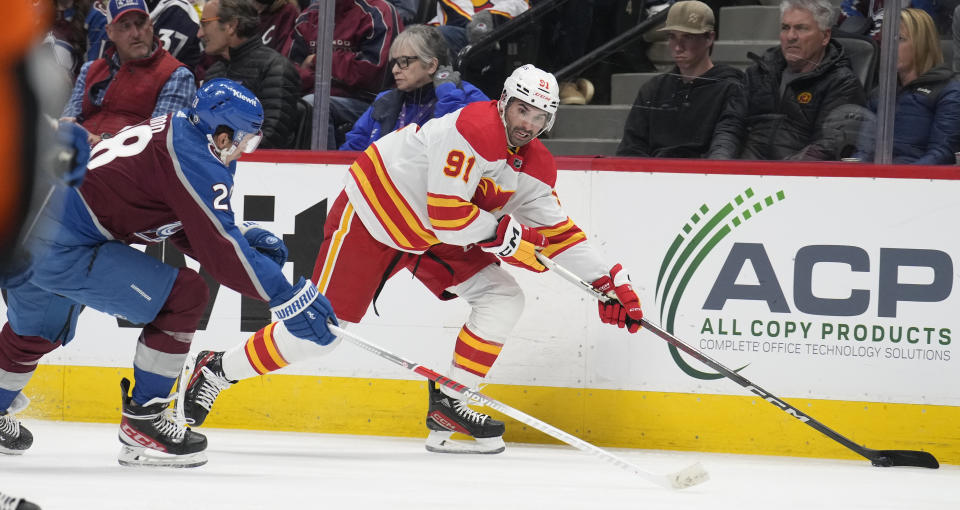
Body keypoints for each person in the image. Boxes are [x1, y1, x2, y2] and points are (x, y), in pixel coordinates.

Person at [181, 64, 645, 455]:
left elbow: (557, 231)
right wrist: (502, 236)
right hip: (376, 213)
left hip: (430, 232)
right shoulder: (473, 128)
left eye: (539, 116)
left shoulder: (535, 165)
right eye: (522, 109)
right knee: (319, 334)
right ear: (503, 102)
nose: (527, 122)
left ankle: (451, 406)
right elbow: (449, 216)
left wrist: (608, 283)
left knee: (503, 296)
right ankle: (217, 370)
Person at [0, 79, 338, 467]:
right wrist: (288, 297)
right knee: (185, 296)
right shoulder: (197, 159)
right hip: (64, 246)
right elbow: (220, 249)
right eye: (245, 142)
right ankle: (146, 421)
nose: (243, 152)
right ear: (223, 134)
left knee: (35, 331)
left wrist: (241, 235)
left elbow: (180, 219)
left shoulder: (174, 126)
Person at [738, 0, 867, 160]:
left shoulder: (842, 83)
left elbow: (826, 147)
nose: (791, 36)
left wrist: (773, 176)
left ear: (825, 36)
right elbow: (730, 125)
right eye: (786, 28)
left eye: (801, 28)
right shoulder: (758, 72)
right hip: (745, 175)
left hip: (797, 179)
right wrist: (720, 166)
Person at [616, 0, 746, 159]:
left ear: (709, 38)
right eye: (672, 37)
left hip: (702, 177)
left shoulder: (730, 87)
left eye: (688, 37)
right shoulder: (653, 89)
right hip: (655, 176)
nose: (678, 46)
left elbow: (726, 142)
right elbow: (631, 148)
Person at [61, 0, 196, 145]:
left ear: (150, 25)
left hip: (128, 163)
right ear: (110, 32)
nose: (136, 34)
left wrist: (100, 141)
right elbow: (68, 121)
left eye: (140, 23)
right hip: (77, 156)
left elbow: (159, 144)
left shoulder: (176, 76)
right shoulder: (90, 69)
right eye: (125, 26)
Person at [341, 24, 489, 151]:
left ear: (431, 65)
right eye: (394, 63)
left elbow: (459, 146)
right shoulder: (384, 100)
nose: (395, 70)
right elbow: (351, 151)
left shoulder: (469, 96)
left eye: (404, 62)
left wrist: (447, 96)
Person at [286, 0, 402, 149]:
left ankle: (324, 167)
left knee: (315, 104)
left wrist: (319, 60)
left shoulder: (377, 12)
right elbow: (291, 75)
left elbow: (373, 75)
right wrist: (333, 72)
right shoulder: (308, 16)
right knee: (282, 102)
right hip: (318, 96)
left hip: (370, 102)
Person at [852, 9, 960, 164]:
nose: (888, 47)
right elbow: (863, 151)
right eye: (885, 40)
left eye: (899, 39)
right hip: (876, 181)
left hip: (918, 183)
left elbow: (941, 154)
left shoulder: (949, 92)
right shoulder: (879, 94)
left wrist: (902, 179)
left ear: (922, 43)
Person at [200, 0, 301, 149]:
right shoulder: (213, 74)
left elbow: (272, 137)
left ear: (231, 26)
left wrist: (222, 150)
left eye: (205, 24)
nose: (199, 33)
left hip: (258, 168)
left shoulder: (275, 68)